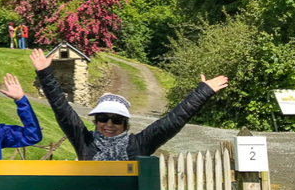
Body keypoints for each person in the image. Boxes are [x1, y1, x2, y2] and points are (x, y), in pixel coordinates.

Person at [29, 49, 228, 160]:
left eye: (116, 120)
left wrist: (203, 91)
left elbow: (173, 121)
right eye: (103, 118)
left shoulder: (138, 145)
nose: (109, 124)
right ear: (96, 120)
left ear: (125, 124)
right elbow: (62, 108)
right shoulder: (85, 142)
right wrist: (45, 74)